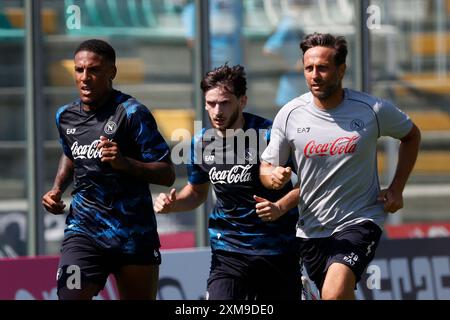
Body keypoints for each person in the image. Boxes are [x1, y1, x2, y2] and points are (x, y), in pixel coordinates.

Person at [260, 33, 421, 300]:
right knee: (335, 295)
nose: (314, 75)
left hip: (360, 219)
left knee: (333, 294)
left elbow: (411, 135)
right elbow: (267, 167)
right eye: (308, 68)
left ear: (341, 70)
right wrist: (272, 177)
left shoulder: (371, 109)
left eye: (322, 68)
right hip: (312, 228)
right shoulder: (289, 114)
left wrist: (397, 188)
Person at [41, 39, 175, 300]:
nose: (85, 78)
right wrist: (57, 189)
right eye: (79, 70)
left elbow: (167, 173)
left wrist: (126, 163)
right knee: (70, 296)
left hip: (133, 235)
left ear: (112, 72)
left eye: (94, 70)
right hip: (84, 231)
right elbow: (70, 153)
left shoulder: (133, 113)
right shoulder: (65, 116)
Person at [153, 64, 301, 300]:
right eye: (211, 103)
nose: (217, 111)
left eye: (225, 102)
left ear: (242, 101)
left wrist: (280, 206)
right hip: (228, 252)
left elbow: (306, 185)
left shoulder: (269, 135)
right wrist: (174, 204)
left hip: (278, 250)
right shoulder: (198, 145)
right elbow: (196, 192)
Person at [262, 0, 309, 108]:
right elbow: (269, 50)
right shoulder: (288, 24)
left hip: (299, 90)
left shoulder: (296, 23)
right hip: (291, 92)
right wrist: (291, 67)